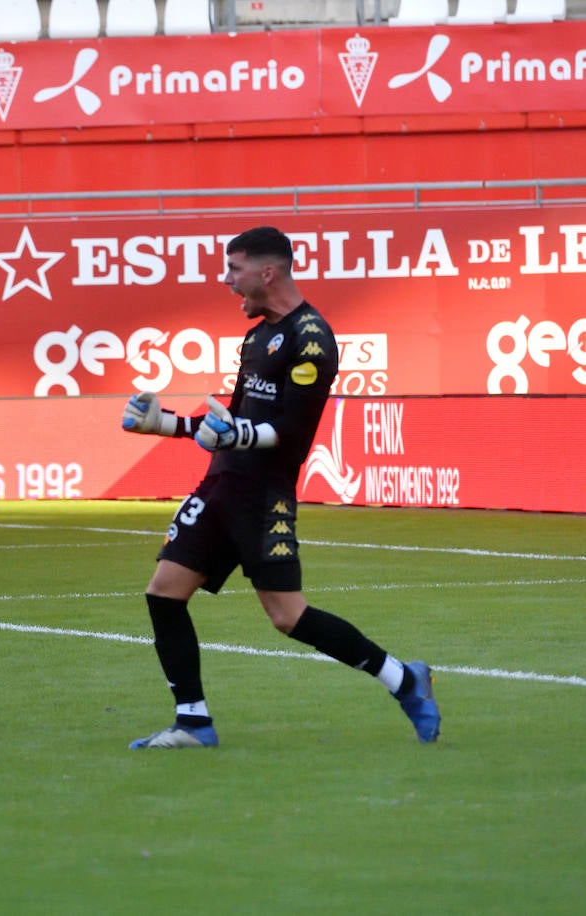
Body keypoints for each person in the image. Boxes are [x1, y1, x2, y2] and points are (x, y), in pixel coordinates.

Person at [119, 226, 440, 748]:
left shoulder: (311, 337)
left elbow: (289, 429)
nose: (227, 281)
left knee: (287, 617)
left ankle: (404, 680)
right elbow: (233, 419)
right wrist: (167, 424)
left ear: (267, 273)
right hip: (219, 487)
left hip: (262, 497)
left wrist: (237, 433)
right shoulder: (257, 335)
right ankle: (194, 722)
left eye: (234, 270)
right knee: (164, 593)